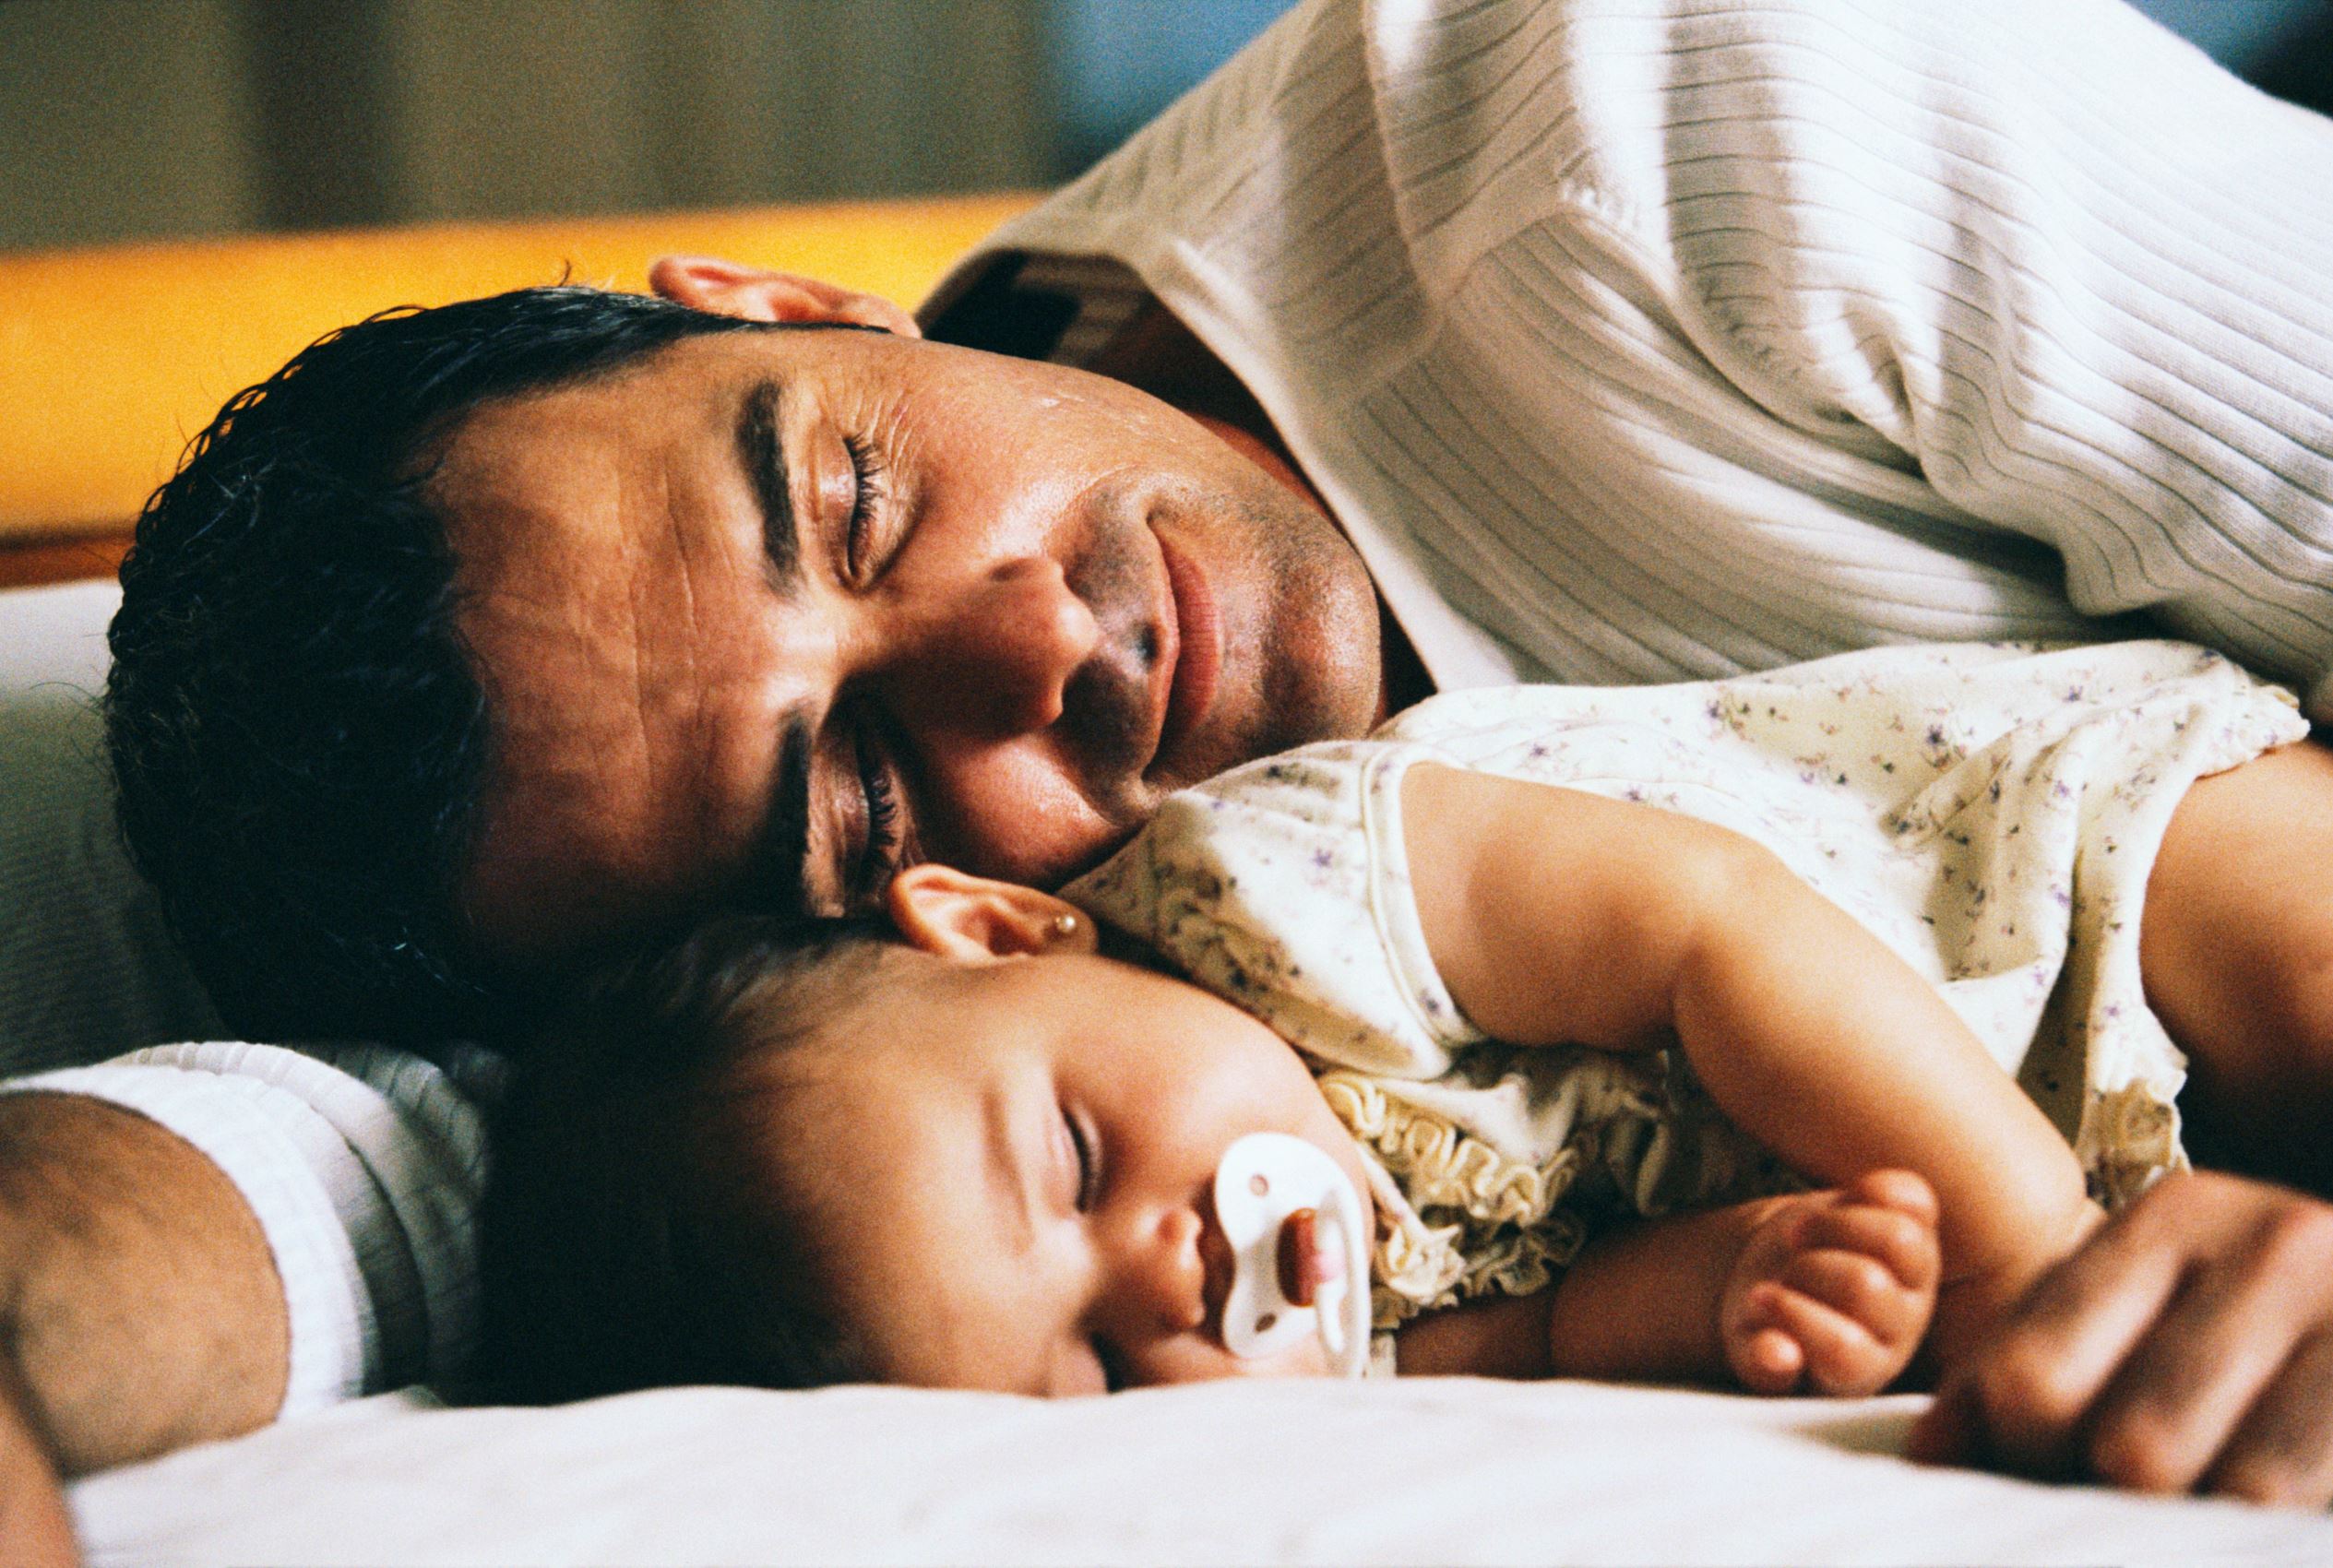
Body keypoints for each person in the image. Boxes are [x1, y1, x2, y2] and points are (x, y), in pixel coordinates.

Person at [6, 0, 2333, 1524]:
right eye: (864, 793)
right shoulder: (897, 1091)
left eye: (852, 496)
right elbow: (343, 1175)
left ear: (790, 306)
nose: (1040, 638)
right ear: (903, 932)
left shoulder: (1633, 118)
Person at [482, 636, 2311, 1411]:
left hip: (2038, 868)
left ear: (1002, 926)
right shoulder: (1299, 1373)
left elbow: (1709, 937)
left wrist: (2015, 1247)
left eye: (1073, 1157)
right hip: (2079, 1125)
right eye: (1098, 1367)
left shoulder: (1274, 898)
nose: (1165, 1276)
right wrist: (1753, 1285)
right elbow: (1536, 1343)